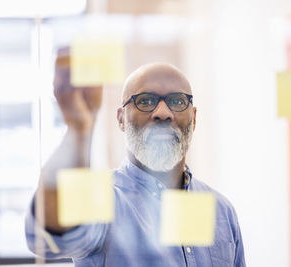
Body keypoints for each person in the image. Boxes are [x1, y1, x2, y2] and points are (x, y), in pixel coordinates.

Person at [25, 49, 246, 267]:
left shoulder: (222, 211)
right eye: (146, 101)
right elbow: (50, 235)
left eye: (178, 101)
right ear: (121, 119)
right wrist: (79, 129)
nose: (162, 112)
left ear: (194, 117)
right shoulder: (101, 200)